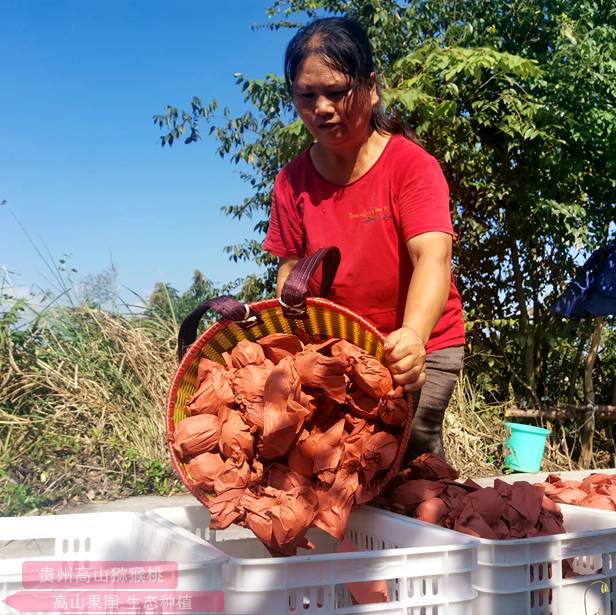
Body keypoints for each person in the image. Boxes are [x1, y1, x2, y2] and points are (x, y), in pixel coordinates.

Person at [262, 16, 465, 461]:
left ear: (370, 87)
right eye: (306, 95)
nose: (322, 108)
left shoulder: (410, 167)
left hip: (419, 350)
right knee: (335, 469)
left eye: (336, 92)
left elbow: (433, 256)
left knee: (406, 469)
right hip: (342, 352)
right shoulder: (290, 183)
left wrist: (412, 335)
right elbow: (291, 271)